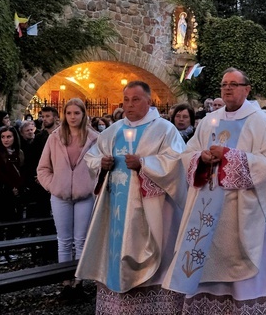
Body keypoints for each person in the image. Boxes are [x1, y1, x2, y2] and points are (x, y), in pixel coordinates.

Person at [163, 67, 266, 313]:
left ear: (247, 89)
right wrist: (201, 157)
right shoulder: (208, 121)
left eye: (234, 84)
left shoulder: (263, 123)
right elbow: (187, 154)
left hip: (243, 208)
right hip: (207, 207)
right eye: (224, 84)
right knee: (206, 260)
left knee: (242, 265)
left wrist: (229, 157)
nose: (227, 88)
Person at [77, 81, 188, 313]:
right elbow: (91, 157)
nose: (129, 105)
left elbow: (177, 163)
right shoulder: (113, 130)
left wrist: (144, 164)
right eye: (126, 99)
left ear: (149, 101)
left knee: (156, 256)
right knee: (116, 254)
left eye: (136, 99)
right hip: (115, 209)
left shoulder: (164, 130)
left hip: (150, 210)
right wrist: (102, 164)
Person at [37, 99, 99, 296]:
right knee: (64, 240)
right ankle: (65, 281)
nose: (73, 117)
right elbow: (43, 167)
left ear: (83, 115)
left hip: (84, 195)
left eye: (77, 113)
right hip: (60, 195)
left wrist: (92, 186)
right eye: (69, 113)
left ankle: (79, 281)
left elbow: (100, 168)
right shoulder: (55, 137)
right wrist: (53, 185)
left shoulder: (94, 138)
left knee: (81, 240)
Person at [0, 126, 24, 228]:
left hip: (18, 191)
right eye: (3, 137)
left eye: (9, 137)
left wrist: (18, 186)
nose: (6, 140)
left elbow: (22, 171)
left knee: (17, 221)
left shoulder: (19, 153)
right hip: (3, 191)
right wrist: (12, 186)